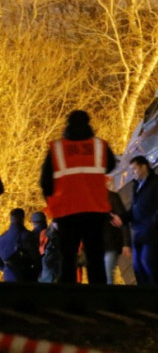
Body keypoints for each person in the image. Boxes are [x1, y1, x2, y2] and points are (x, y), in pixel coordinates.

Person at [40, 110, 117, 284]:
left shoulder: (57, 149)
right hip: (95, 209)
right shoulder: (100, 146)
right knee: (95, 256)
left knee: (67, 256)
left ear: (68, 124)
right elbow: (110, 166)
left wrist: (52, 202)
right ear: (89, 123)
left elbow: (45, 182)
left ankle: (69, 294)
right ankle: (98, 295)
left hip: (67, 211)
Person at [111, 156, 158, 285]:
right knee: (138, 268)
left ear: (144, 167)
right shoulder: (136, 187)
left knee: (149, 264)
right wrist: (122, 218)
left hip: (154, 233)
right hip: (139, 233)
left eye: (134, 169)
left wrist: (153, 224)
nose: (133, 173)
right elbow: (134, 210)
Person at [0, 209, 41, 282]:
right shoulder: (27, 236)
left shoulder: (2, 238)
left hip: (8, 276)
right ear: (23, 218)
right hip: (25, 276)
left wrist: (6, 268)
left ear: (11, 219)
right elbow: (35, 257)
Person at [104, 181, 132, 285]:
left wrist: (126, 244)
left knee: (107, 277)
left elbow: (122, 222)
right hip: (98, 246)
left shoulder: (112, 197)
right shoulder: (91, 201)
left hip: (110, 244)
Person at [32, 212, 61, 283]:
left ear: (33, 223)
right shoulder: (51, 234)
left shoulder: (31, 235)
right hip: (51, 271)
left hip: (39, 271)